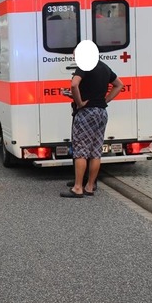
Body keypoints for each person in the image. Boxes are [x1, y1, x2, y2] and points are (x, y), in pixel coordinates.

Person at [61, 41, 124, 198]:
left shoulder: (84, 66)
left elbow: (74, 84)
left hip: (86, 113)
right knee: (95, 151)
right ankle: (89, 186)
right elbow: (119, 85)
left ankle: (77, 188)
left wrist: (79, 102)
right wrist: (105, 100)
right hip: (101, 112)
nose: (74, 57)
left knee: (81, 150)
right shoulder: (103, 66)